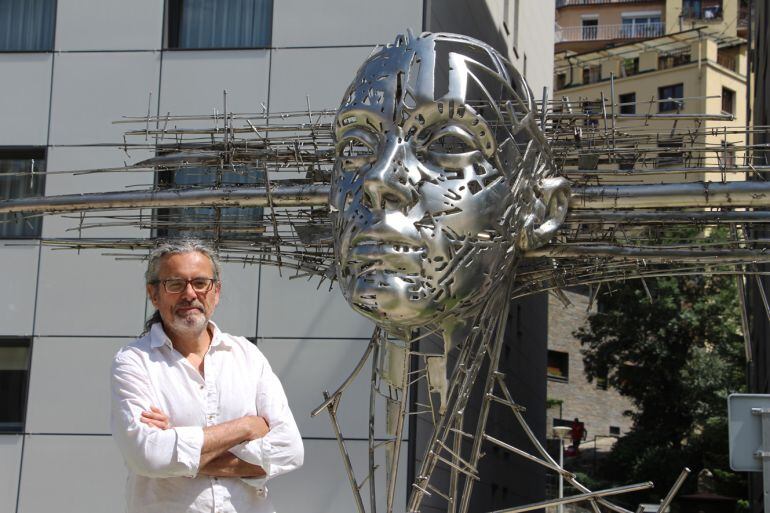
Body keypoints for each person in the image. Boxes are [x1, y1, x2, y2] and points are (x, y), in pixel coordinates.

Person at [111, 239, 303, 513]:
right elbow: (146, 456)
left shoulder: (247, 356)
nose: (190, 293)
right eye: (175, 284)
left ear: (216, 292)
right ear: (153, 294)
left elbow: (290, 451)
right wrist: (246, 427)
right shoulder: (134, 362)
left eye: (200, 283)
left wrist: (175, 445)